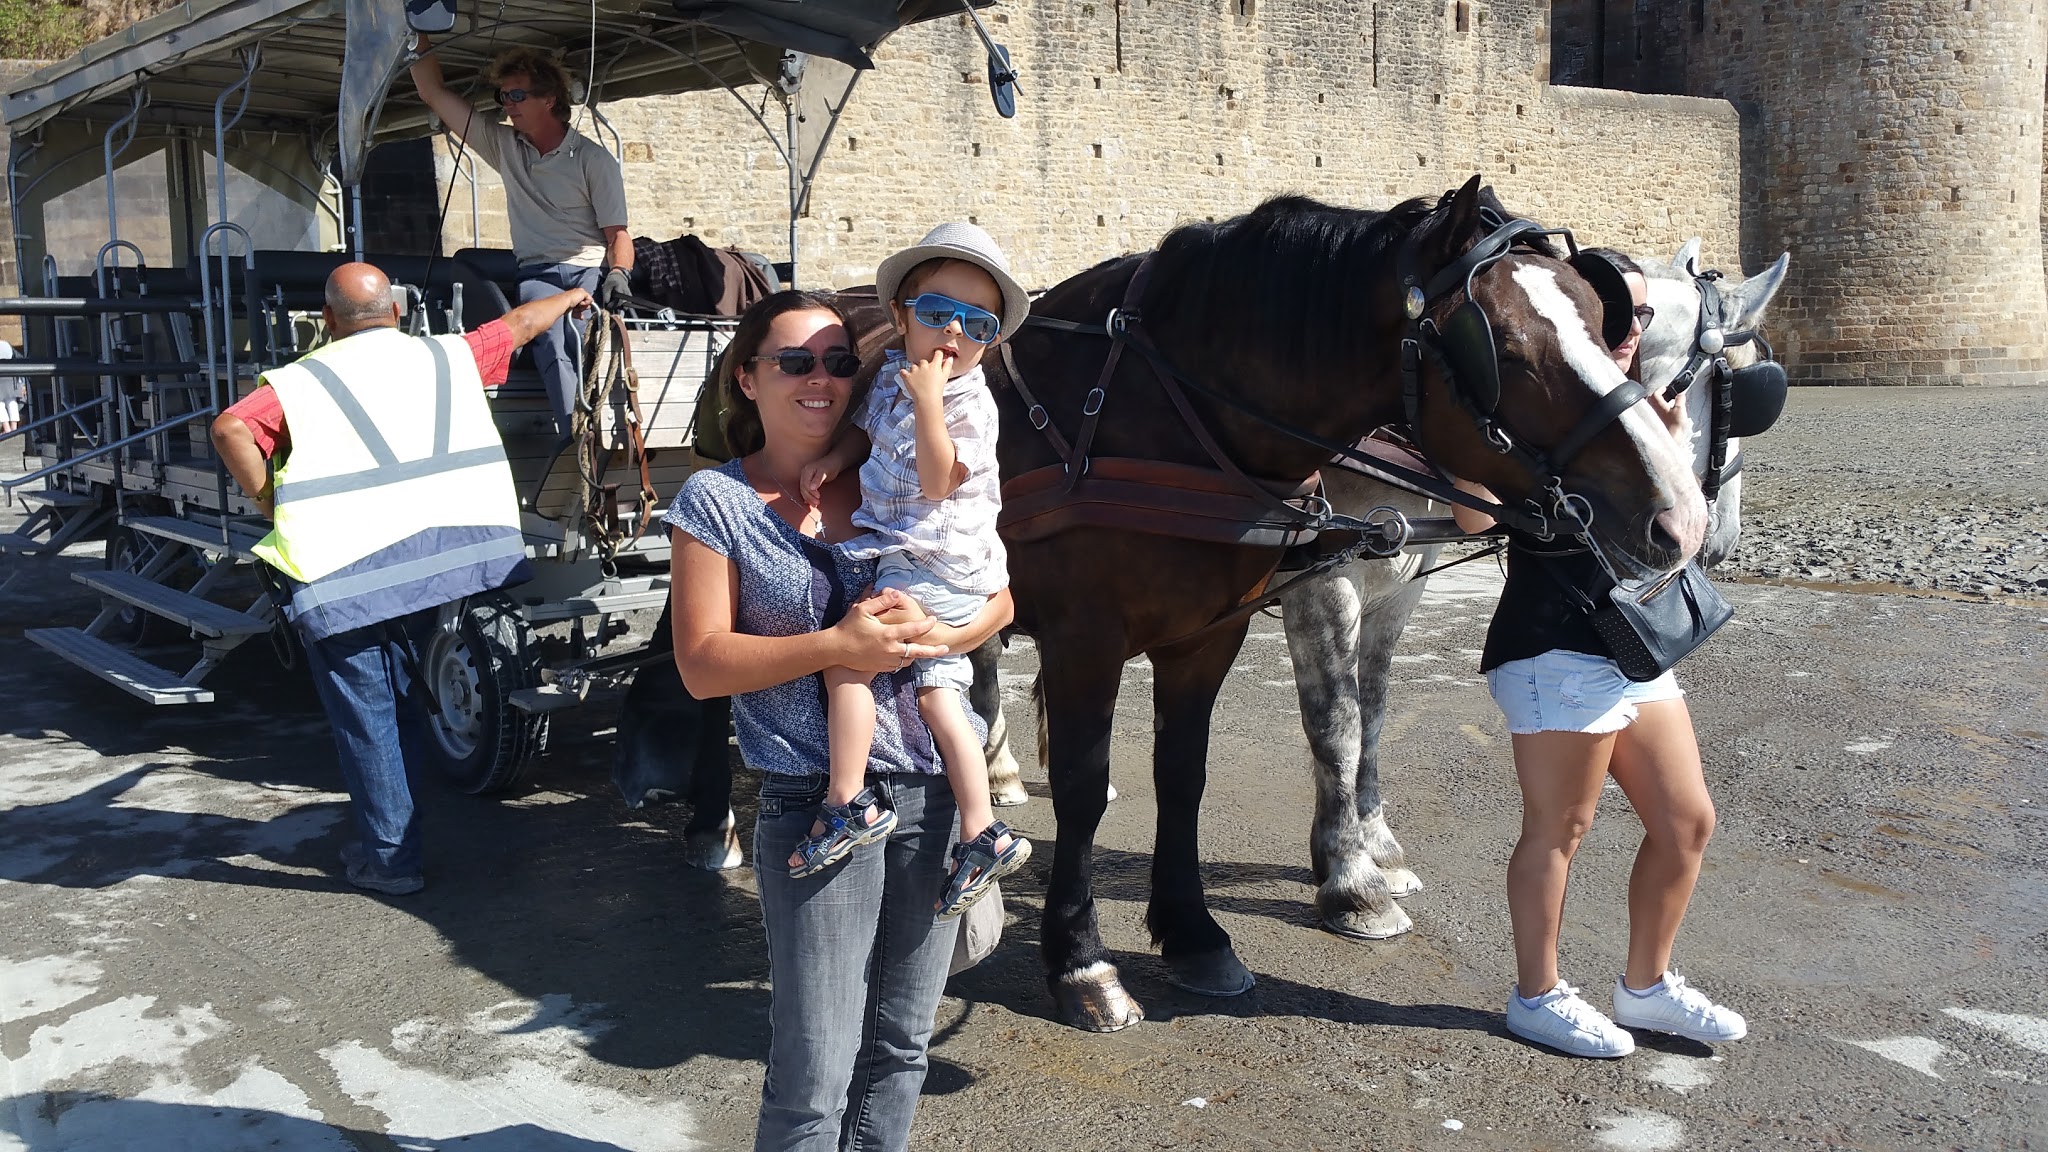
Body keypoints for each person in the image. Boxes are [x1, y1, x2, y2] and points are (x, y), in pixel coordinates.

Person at [667, 290, 1014, 1150]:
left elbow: (998, 594)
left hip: (932, 797)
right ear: (747, 378)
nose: (819, 379)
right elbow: (702, 665)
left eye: (836, 362)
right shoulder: (717, 501)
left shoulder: (897, 473)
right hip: (817, 804)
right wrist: (836, 643)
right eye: (794, 362)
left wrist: (955, 629)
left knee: (900, 1049)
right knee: (815, 1069)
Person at [211, 264, 595, 896]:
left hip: (343, 574)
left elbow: (230, 427)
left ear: (328, 321)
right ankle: (401, 831)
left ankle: (392, 861)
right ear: (396, 311)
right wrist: (575, 296)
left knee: (369, 718)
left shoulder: (299, 382)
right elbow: (521, 324)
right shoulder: (447, 356)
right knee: (407, 698)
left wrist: (266, 498)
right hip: (431, 571)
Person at [1452, 250, 1746, 1059]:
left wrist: (1673, 444)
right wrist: (1493, 466)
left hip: (1633, 645)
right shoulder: (1541, 415)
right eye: (1618, 310)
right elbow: (1473, 520)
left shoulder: (1636, 410)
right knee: (1559, 829)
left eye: (1644, 316)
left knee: (1687, 821)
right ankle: (1536, 996)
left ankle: (1645, 989)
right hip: (1554, 644)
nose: (1633, 329)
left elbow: (1678, 543)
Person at [788, 223, 1032, 917]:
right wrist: (834, 460)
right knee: (938, 697)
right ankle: (983, 829)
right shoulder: (892, 383)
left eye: (975, 324)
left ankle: (846, 802)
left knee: (848, 665)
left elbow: (935, 479)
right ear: (902, 316)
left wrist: (930, 403)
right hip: (932, 563)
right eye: (936, 314)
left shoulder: (967, 401)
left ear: (990, 342)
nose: (953, 333)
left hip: (936, 560)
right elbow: (867, 430)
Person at [409, 38, 632, 438]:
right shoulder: (504, 146)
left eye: (516, 95)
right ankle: (576, 441)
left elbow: (618, 234)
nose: (507, 104)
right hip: (538, 272)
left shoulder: (593, 161)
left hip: (587, 271)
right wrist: (414, 33)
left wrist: (619, 275)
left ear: (549, 99)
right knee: (548, 337)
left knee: (581, 342)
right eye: (503, 95)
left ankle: (607, 435)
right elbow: (433, 92)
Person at [0, 338, 23, 438]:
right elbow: (18, 358)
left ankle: (7, 428)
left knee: (0, 406)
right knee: (12, 403)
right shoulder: (7, 344)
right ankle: (14, 428)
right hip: (11, 376)